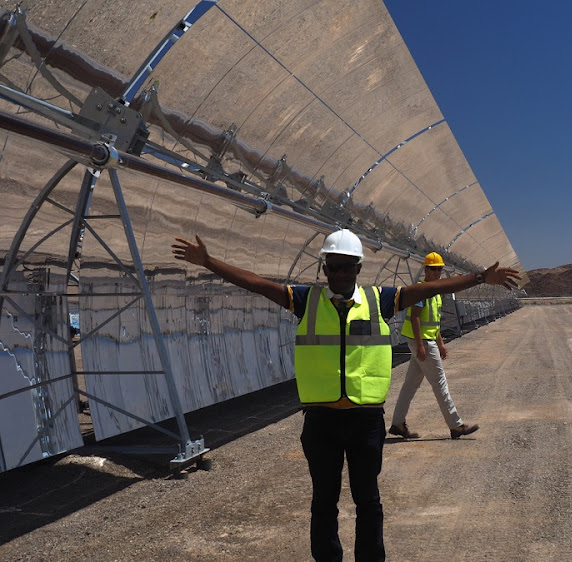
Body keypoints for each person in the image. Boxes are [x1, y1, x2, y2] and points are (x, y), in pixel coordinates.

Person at [171, 229, 520, 562]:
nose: (338, 273)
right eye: (332, 266)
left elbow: (428, 289)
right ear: (324, 269)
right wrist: (209, 262)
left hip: (365, 421)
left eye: (345, 266)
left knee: (368, 500)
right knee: (324, 502)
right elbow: (259, 285)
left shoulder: (379, 300)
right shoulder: (306, 301)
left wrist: (478, 278)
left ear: (358, 268)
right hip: (321, 421)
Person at [389, 252, 478, 440]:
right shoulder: (422, 290)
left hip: (426, 341)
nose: (437, 272)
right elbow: (414, 317)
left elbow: (434, 323)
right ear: (426, 269)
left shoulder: (435, 292)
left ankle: (397, 423)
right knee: (440, 383)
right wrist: (421, 345)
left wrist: (442, 344)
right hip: (422, 342)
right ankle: (456, 425)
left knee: (410, 385)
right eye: (433, 269)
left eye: (439, 269)